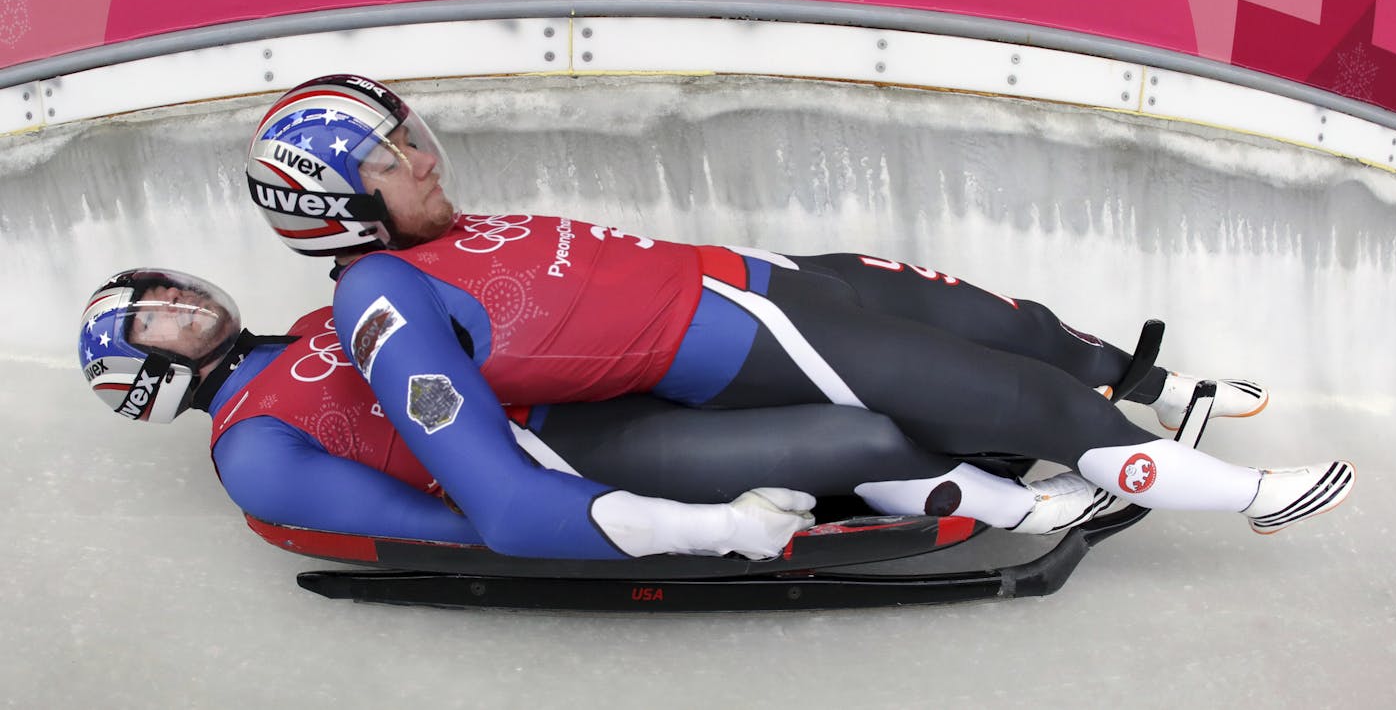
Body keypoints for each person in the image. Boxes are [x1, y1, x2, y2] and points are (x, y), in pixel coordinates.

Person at [242, 74, 1355, 556]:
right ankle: (1243, 498)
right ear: (330, 204)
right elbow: (496, 493)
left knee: (988, 318)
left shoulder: (436, 238)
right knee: (996, 390)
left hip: (754, 275)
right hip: (727, 342)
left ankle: (1153, 394)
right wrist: (686, 523)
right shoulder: (378, 295)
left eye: (413, 137)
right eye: (391, 158)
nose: (424, 161)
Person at [80, 269, 1111, 561]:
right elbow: (459, 528)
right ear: (148, 382)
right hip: (569, 451)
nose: (185, 307)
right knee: (857, 434)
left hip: (580, 385)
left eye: (170, 293)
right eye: (161, 324)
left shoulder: (312, 319)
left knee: (831, 351)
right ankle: (1003, 497)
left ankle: (1026, 416)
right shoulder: (253, 450)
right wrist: (652, 526)